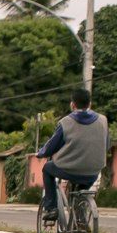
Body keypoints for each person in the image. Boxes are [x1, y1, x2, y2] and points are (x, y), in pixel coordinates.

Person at [36, 88, 108, 221]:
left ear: (72, 104)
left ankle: (51, 208)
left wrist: (41, 153)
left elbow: (52, 146)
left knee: (47, 169)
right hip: (93, 171)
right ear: (90, 104)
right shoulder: (103, 120)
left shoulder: (66, 122)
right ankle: (81, 221)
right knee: (79, 194)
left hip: (68, 169)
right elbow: (106, 144)